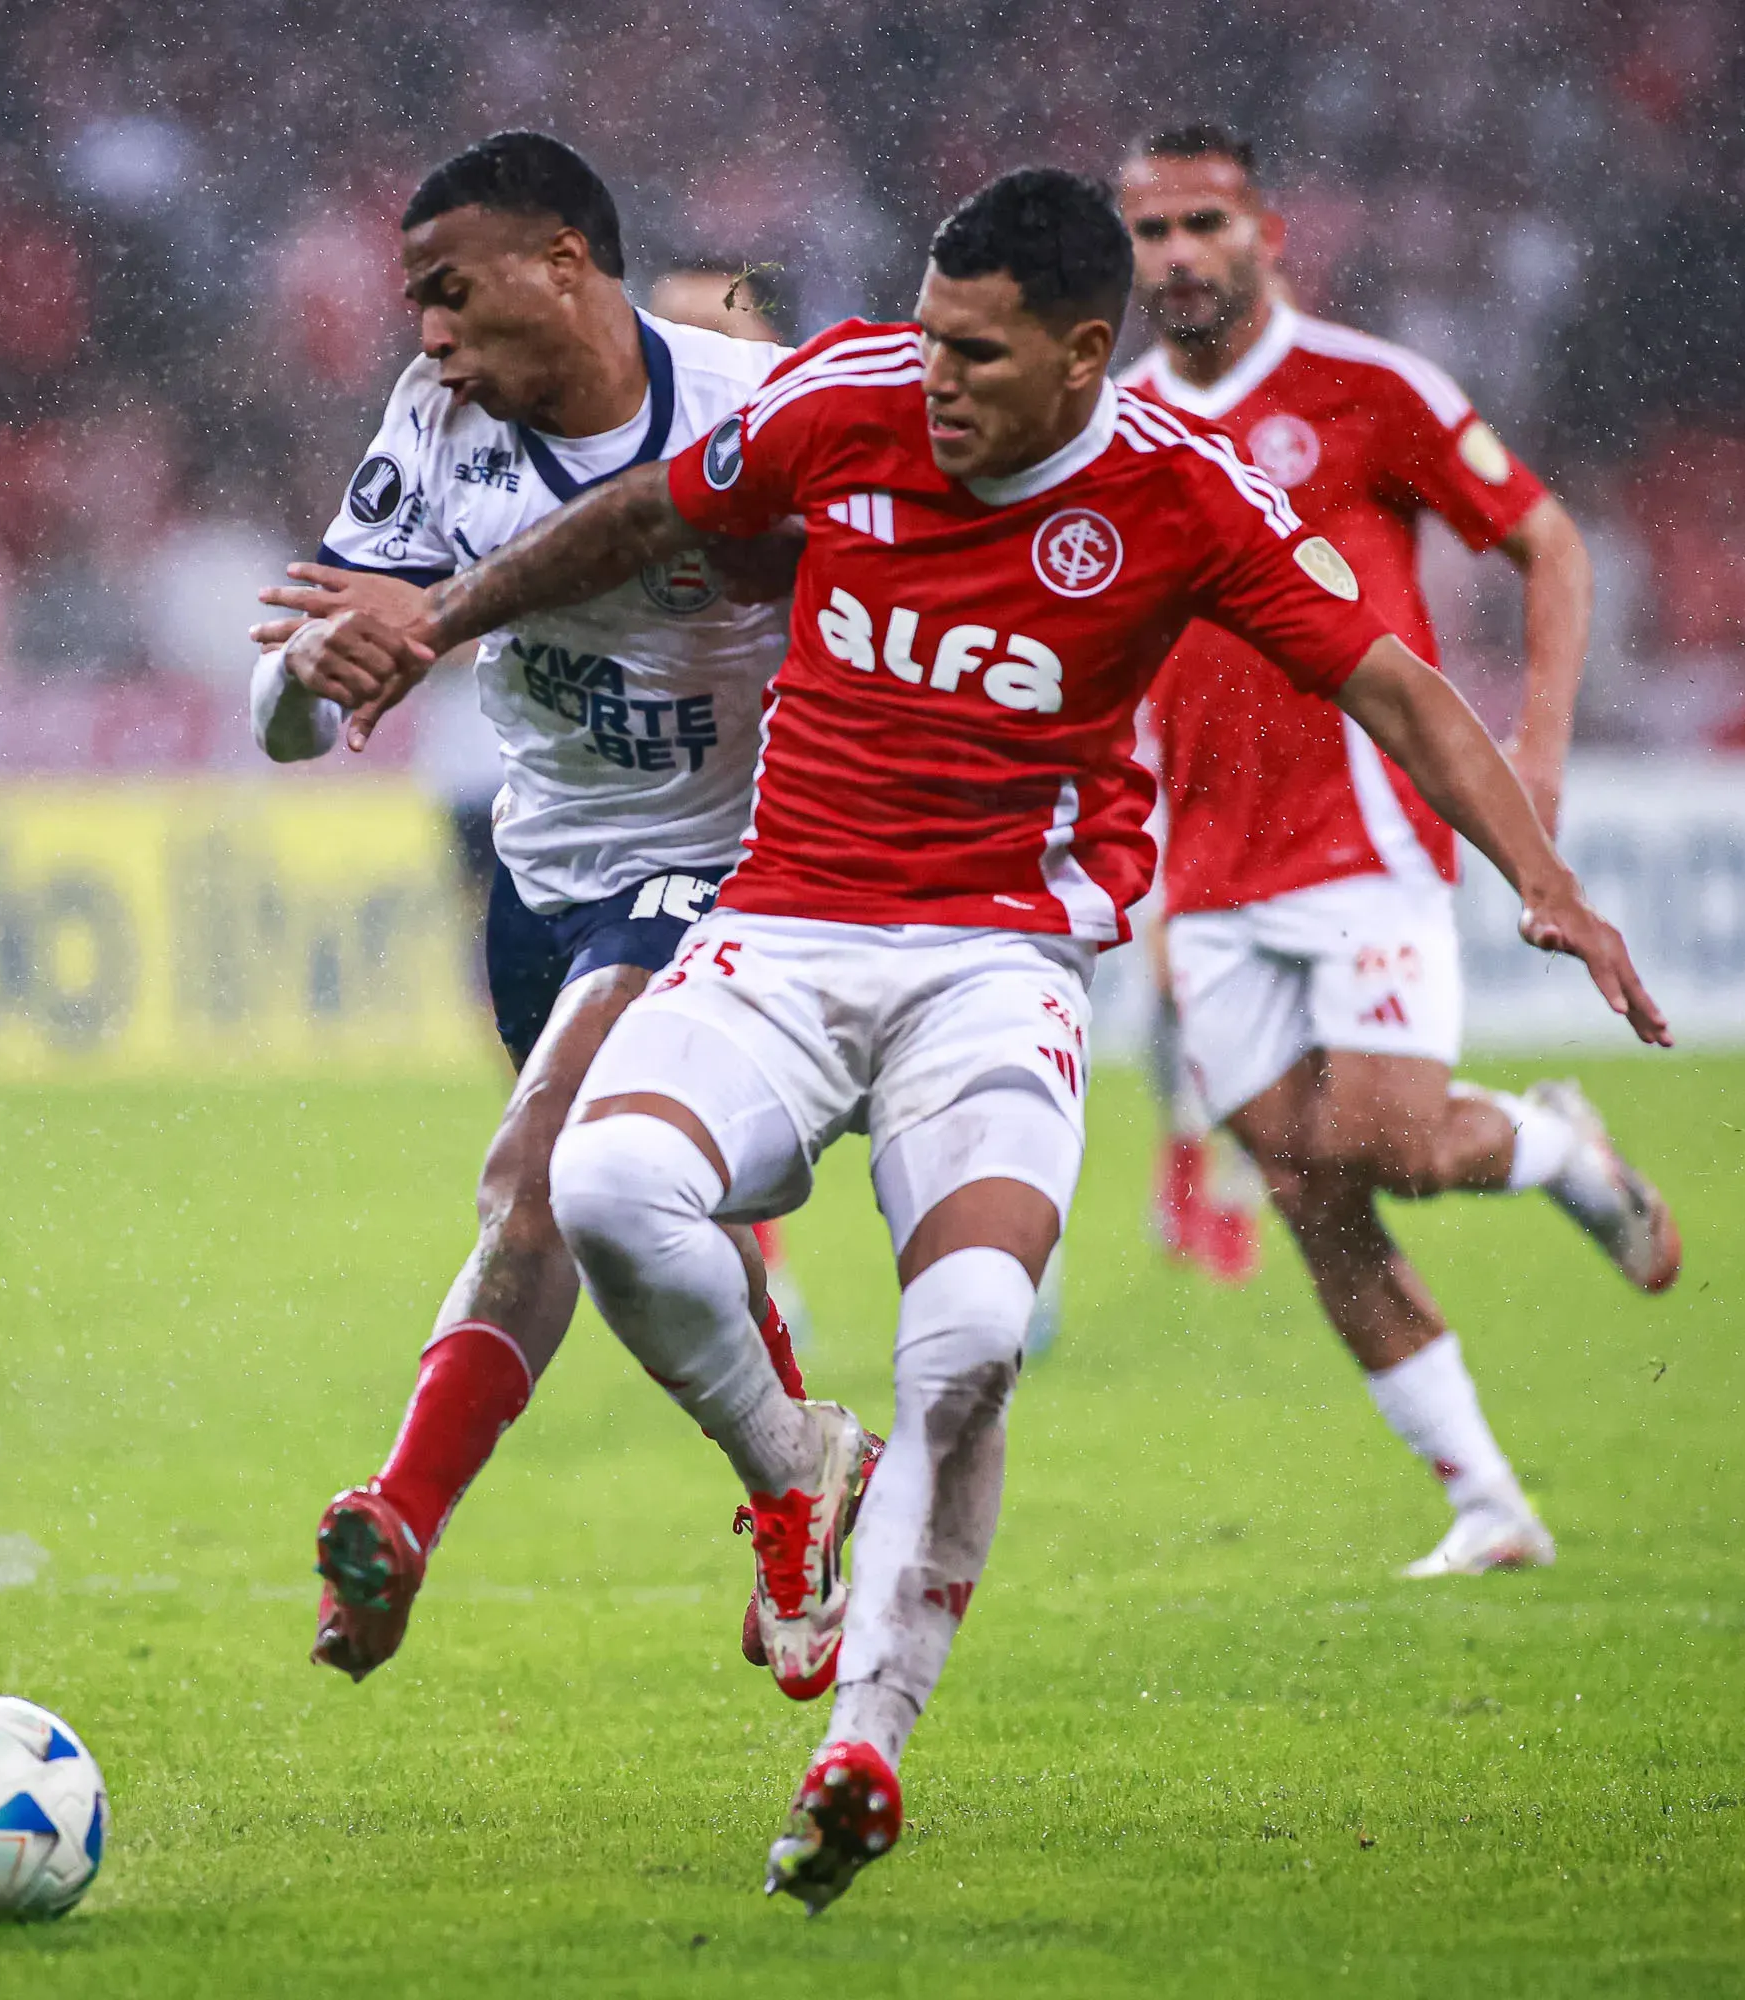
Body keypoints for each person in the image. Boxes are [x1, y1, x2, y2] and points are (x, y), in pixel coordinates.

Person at [306, 167, 1668, 1912]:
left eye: (978, 354)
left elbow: (1395, 686)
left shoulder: (1185, 497)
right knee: (602, 1185)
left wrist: (1547, 882)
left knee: (967, 1339)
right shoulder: (847, 399)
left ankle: (865, 1737)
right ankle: (795, 1458)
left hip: (994, 966)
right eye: (929, 337)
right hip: (782, 932)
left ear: (1087, 355)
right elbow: (649, 516)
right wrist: (440, 617)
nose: (932, 378)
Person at [247, 132, 851, 1687]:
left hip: (729, 872)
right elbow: (306, 693)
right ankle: (798, 1468)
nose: (427, 333)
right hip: (546, 879)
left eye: (450, 293)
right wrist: (301, 684)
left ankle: (400, 1516)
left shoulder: (754, 412)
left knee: (537, 1177)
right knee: (625, 1217)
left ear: (565, 263)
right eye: (414, 305)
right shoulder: (434, 423)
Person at [1117, 125, 1683, 1578]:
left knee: (1382, 1144)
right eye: (1151, 231)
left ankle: (1557, 1147)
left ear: (1270, 233)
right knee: (1310, 1197)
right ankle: (1488, 1502)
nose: (1178, 254)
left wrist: (1538, 748)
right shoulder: (1108, 425)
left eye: (1205, 224)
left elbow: (1548, 543)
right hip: (1211, 873)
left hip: (1367, 835)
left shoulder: (1370, 392)